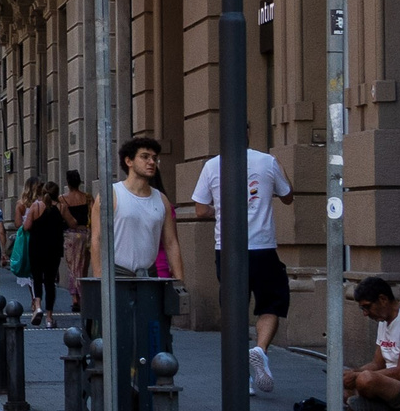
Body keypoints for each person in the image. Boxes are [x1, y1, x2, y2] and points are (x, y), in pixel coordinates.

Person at [188, 141, 296, 396]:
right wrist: (279, 165)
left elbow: (201, 209)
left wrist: (224, 209)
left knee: (234, 311)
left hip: (226, 248)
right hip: (262, 247)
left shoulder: (212, 165)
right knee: (271, 304)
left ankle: (242, 378)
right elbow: (289, 196)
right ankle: (260, 350)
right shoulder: (267, 162)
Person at [342, 276, 400, 411]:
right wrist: (354, 373)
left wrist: (359, 376)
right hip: (387, 381)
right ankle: (380, 404)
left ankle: (384, 405)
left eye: (367, 307)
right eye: (362, 309)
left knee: (365, 380)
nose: (365, 313)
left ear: (383, 299)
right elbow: (378, 363)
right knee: (348, 387)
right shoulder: (383, 320)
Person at [111, 136, 183, 280]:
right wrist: (100, 280)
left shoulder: (161, 199)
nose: (151, 162)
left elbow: (171, 242)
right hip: (117, 275)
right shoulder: (112, 194)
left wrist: (180, 281)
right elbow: (97, 239)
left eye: (154, 158)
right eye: (145, 157)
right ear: (128, 161)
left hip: (149, 276)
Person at [24, 181, 67, 324]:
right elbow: (72, 222)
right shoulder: (61, 207)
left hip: (36, 247)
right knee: (50, 282)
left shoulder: (35, 207)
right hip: (54, 249)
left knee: (37, 278)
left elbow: (26, 226)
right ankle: (49, 317)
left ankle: (37, 307)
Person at [57, 170, 93, 314]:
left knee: (72, 267)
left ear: (68, 182)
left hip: (70, 235)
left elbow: (61, 218)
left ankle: (75, 298)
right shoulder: (87, 198)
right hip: (86, 234)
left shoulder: (62, 199)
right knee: (83, 266)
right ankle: (82, 294)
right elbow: (93, 214)